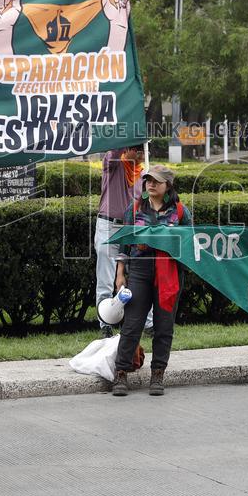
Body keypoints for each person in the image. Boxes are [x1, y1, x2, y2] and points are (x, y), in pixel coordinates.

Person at [111, 165, 192, 396]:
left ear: (168, 185)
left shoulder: (180, 211)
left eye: (156, 181)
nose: (150, 184)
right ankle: (121, 374)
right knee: (132, 324)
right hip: (139, 271)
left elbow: (189, 244)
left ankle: (158, 375)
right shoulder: (135, 208)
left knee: (164, 325)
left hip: (169, 273)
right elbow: (124, 244)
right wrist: (120, 274)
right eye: (148, 180)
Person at [95, 146, 144, 338]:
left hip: (130, 228)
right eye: (137, 151)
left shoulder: (142, 174)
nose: (141, 156)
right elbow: (114, 151)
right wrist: (126, 135)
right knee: (106, 278)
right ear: (127, 150)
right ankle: (104, 322)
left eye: (143, 152)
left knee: (136, 277)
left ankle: (142, 322)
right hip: (108, 225)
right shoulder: (113, 163)